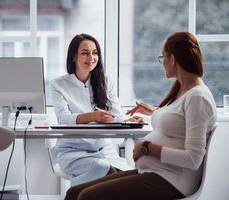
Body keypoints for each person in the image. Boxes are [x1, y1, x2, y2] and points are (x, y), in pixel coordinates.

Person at [64, 32, 217, 200]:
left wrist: (148, 148)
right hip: (155, 172)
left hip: (172, 180)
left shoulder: (197, 97)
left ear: (173, 59)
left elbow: (193, 159)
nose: (162, 62)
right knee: (73, 193)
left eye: (163, 57)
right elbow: (178, 122)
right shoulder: (182, 91)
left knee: (86, 197)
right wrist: (152, 114)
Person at [50, 33, 131, 186]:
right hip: (73, 152)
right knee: (107, 172)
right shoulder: (58, 84)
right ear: (74, 57)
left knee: (129, 178)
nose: (91, 57)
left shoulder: (105, 82)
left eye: (95, 53)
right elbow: (63, 118)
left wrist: (128, 119)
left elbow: (118, 115)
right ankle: (77, 193)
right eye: (85, 53)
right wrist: (93, 116)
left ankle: (80, 191)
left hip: (104, 150)